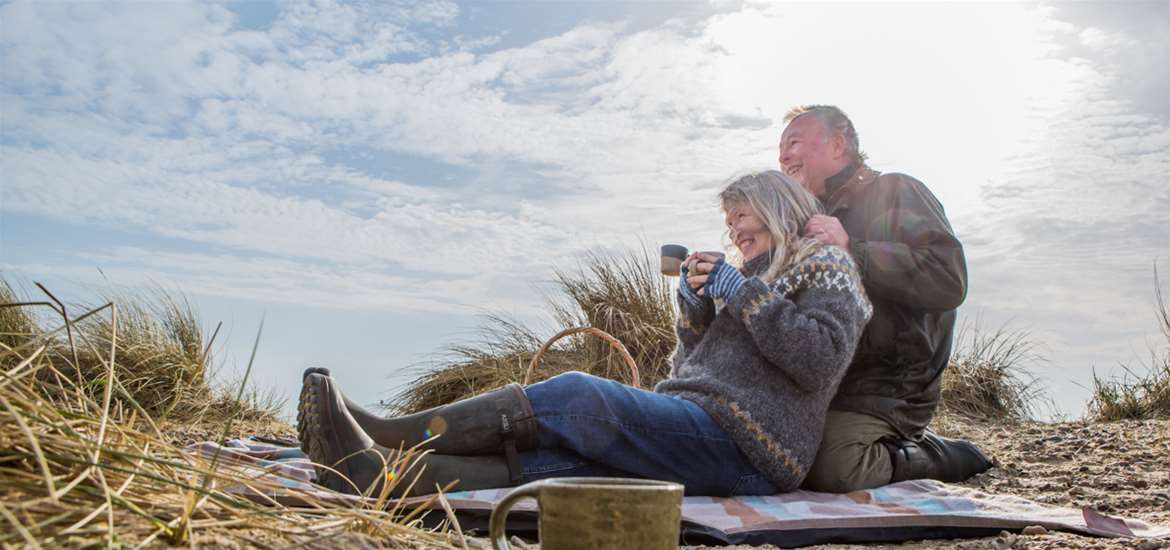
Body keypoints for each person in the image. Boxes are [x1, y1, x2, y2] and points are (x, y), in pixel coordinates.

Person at [297, 170, 873, 498]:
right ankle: (380, 474)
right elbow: (693, 371)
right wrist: (694, 312)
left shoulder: (825, 267)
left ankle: (391, 431)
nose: (733, 232)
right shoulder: (750, 278)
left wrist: (739, 294)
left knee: (579, 396)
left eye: (740, 218)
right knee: (559, 461)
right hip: (705, 426)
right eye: (729, 222)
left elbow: (819, 358)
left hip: (755, 446)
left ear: (776, 210)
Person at [777, 105, 993, 493]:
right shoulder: (801, 223)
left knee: (835, 467)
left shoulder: (896, 190)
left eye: (794, 142)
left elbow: (948, 278)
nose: (783, 156)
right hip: (829, 387)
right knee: (769, 450)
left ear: (838, 144)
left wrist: (853, 249)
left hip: (890, 387)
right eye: (780, 148)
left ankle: (942, 455)